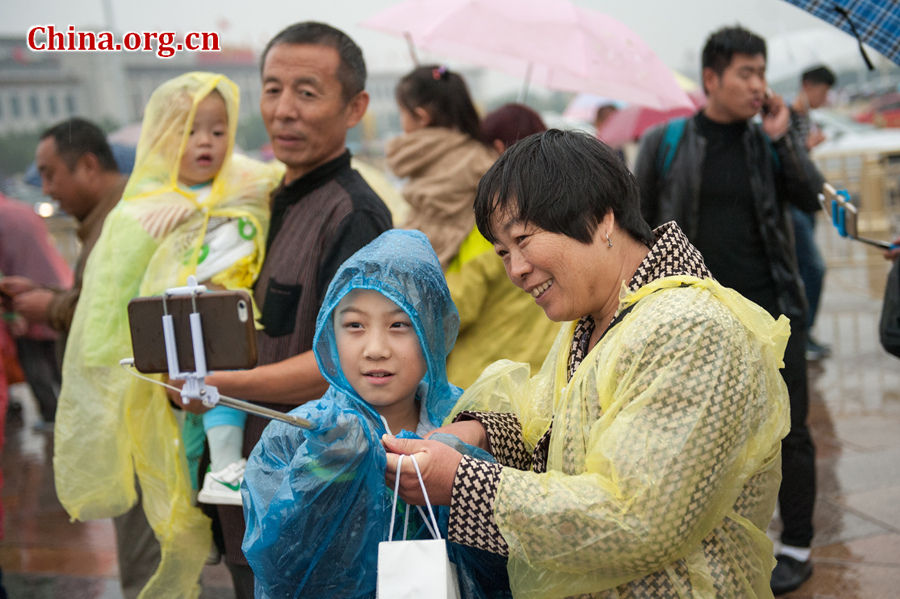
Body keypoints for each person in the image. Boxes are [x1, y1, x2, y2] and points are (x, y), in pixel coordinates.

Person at [382, 129, 791, 597]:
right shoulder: (598, 317)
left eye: (523, 239)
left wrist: (463, 483)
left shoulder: (690, 330)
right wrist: (480, 435)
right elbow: (555, 433)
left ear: (600, 219)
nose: (515, 269)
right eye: (502, 252)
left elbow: (637, 519)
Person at [52, 72, 280, 597]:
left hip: (239, 367)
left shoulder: (253, 186)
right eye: (189, 130)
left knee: (231, 523)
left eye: (218, 130)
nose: (205, 142)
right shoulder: (138, 215)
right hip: (162, 394)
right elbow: (107, 319)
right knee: (173, 514)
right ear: (159, 137)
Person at [191, 22, 391, 598]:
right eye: (273, 89)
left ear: (355, 107)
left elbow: (353, 365)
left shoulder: (353, 215)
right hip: (246, 487)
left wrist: (223, 385)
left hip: (305, 495)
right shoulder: (269, 202)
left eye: (307, 92)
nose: (284, 111)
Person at [633, 26, 824, 595]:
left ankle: (798, 544)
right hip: (696, 322)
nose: (758, 84)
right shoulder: (665, 143)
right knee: (703, 436)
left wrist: (785, 139)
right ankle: (714, 541)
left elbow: (811, 197)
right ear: (711, 79)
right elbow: (637, 226)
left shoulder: (767, 140)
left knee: (792, 432)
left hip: (774, 312)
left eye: (762, 73)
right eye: (746, 72)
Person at [242, 229, 463, 597]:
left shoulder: (465, 427)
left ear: (434, 333)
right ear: (330, 333)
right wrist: (321, 471)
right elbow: (278, 566)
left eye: (399, 324)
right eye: (355, 326)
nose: (375, 349)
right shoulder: (294, 438)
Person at [0, 119, 159, 597]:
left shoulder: (123, 220)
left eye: (51, 175)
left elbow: (115, 311)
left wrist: (49, 305)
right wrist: (48, 294)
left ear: (88, 166)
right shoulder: (109, 218)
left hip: (142, 417)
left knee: (145, 551)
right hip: (133, 418)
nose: (48, 189)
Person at [443, 103, 559, 387]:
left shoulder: (490, 230)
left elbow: (453, 311)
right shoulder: (558, 218)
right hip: (544, 381)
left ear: (496, 149)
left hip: (484, 388)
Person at [386, 64, 496, 269]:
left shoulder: (415, 157)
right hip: (461, 271)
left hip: (414, 263)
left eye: (402, 112)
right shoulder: (479, 158)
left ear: (421, 116)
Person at [0, 192, 72, 426]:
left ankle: (50, 415)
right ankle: (71, 412)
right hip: (57, 285)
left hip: (23, 295)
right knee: (59, 358)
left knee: (33, 359)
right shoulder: (23, 209)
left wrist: (11, 313)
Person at [790, 65, 837, 361]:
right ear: (808, 86)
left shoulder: (806, 117)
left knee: (807, 270)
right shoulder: (787, 116)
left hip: (804, 204)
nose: (824, 97)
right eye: (823, 91)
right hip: (792, 206)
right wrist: (808, 145)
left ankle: (804, 334)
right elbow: (788, 157)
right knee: (813, 269)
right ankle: (801, 336)